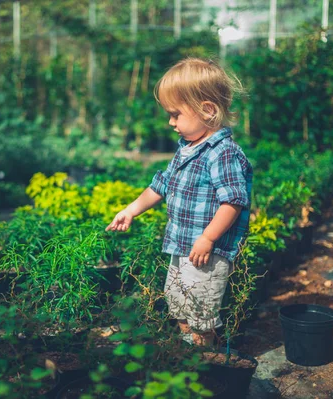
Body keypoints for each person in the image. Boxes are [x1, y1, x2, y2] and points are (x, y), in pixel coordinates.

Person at [106, 57, 253, 346]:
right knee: (179, 304)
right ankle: (185, 351)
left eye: (176, 114)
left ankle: (200, 362)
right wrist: (131, 210)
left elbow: (233, 202)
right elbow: (161, 185)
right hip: (181, 246)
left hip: (205, 253)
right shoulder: (186, 148)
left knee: (200, 312)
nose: (171, 122)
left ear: (207, 111)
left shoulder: (223, 153)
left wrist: (208, 239)